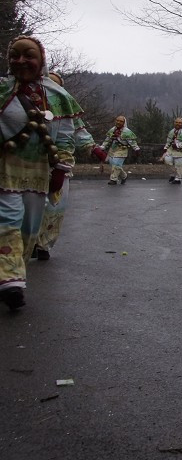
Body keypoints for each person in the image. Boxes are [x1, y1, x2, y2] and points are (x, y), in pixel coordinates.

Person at [0, 36, 95, 310]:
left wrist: (61, 168)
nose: (20, 61)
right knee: (6, 223)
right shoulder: (2, 90)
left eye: (27, 55)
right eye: (14, 55)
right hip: (5, 169)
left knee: (29, 229)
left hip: (40, 173)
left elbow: (66, 135)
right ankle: (10, 282)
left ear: (40, 59)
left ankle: (13, 274)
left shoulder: (57, 96)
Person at [34, 72, 99, 262]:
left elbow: (77, 131)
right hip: (27, 165)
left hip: (57, 163)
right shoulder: (22, 99)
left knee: (55, 206)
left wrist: (92, 148)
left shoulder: (64, 106)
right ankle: (25, 242)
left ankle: (44, 244)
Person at [100, 115, 139, 185]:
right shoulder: (112, 130)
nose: (118, 122)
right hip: (113, 149)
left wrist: (136, 149)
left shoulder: (127, 132)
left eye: (121, 121)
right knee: (113, 164)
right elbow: (107, 140)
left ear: (124, 122)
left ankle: (113, 179)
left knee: (116, 163)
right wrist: (103, 147)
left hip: (122, 150)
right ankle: (124, 176)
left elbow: (132, 142)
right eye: (117, 120)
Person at [162, 117, 182, 185]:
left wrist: (177, 145)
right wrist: (165, 147)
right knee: (167, 161)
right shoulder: (172, 131)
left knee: (178, 165)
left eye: (180, 123)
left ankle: (178, 179)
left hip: (179, 152)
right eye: (176, 122)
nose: (178, 124)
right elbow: (168, 140)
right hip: (170, 151)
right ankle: (172, 175)